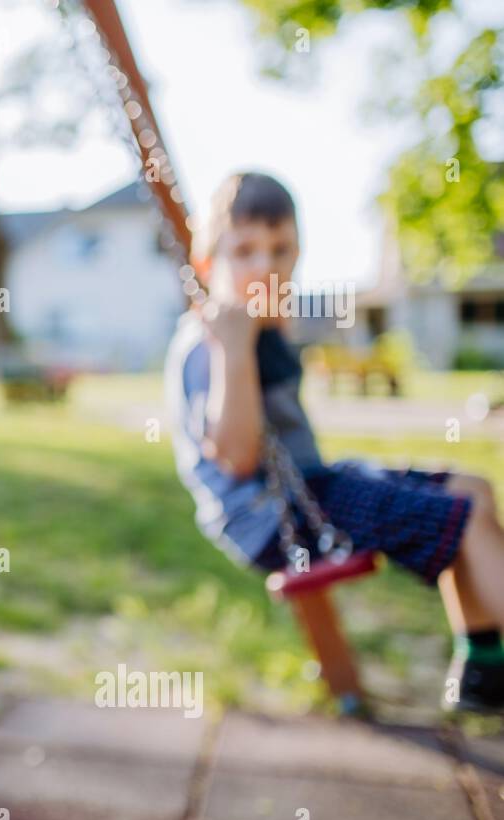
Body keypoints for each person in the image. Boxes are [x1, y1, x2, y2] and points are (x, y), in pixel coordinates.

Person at [163, 170, 504, 713]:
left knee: (475, 488)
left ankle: (483, 671)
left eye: (281, 250)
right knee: (462, 513)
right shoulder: (213, 337)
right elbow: (237, 455)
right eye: (245, 251)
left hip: (310, 487)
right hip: (271, 517)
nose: (265, 267)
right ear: (208, 263)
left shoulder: (263, 324)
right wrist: (233, 347)